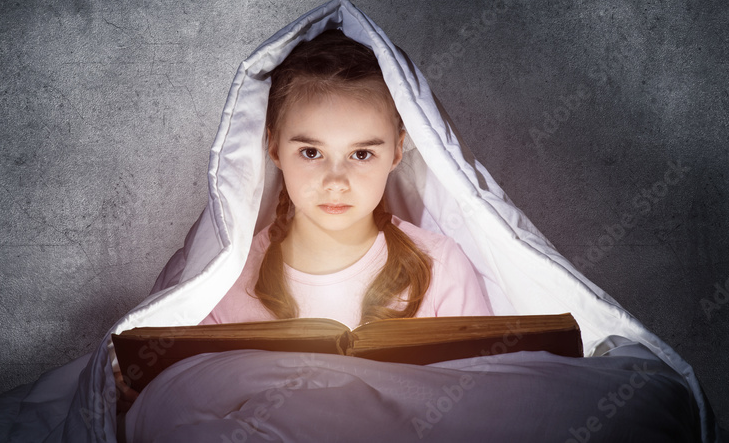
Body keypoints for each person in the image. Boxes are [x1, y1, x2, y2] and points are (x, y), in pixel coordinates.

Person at [115, 28, 492, 412]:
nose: (335, 182)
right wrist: (147, 393)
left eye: (362, 154)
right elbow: (188, 401)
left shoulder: (441, 266)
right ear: (274, 147)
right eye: (311, 152)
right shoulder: (225, 280)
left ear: (397, 151)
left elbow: (482, 401)